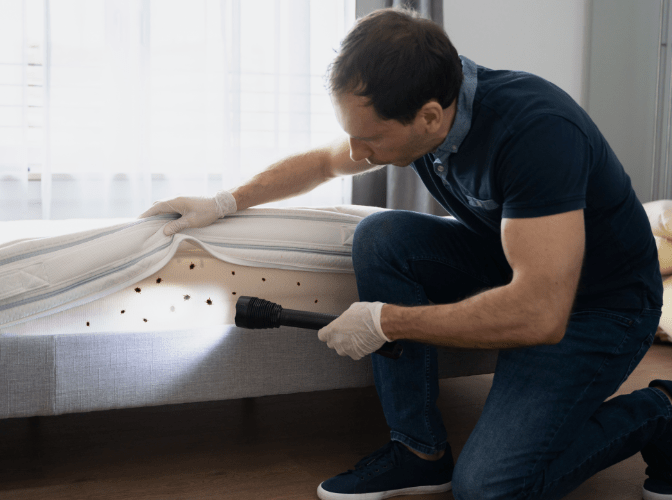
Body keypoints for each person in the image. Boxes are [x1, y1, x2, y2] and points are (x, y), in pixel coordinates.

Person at [138, 8, 672, 500]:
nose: (356, 154)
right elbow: (324, 164)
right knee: (382, 237)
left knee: (491, 489)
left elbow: (540, 313)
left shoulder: (536, 132)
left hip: (601, 307)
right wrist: (223, 201)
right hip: (518, 269)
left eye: (368, 140)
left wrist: (387, 322)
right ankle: (418, 450)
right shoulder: (415, 105)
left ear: (431, 117)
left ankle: (660, 412)